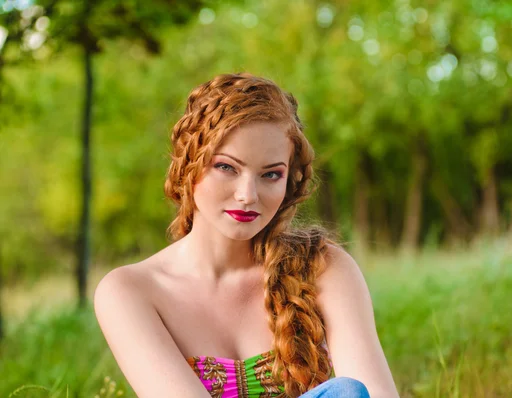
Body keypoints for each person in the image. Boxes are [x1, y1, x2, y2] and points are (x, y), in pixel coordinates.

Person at [94, 73, 399, 398]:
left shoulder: (323, 268)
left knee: (347, 393)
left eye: (271, 174)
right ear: (189, 164)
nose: (247, 195)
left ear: (289, 180)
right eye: (226, 167)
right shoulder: (130, 291)